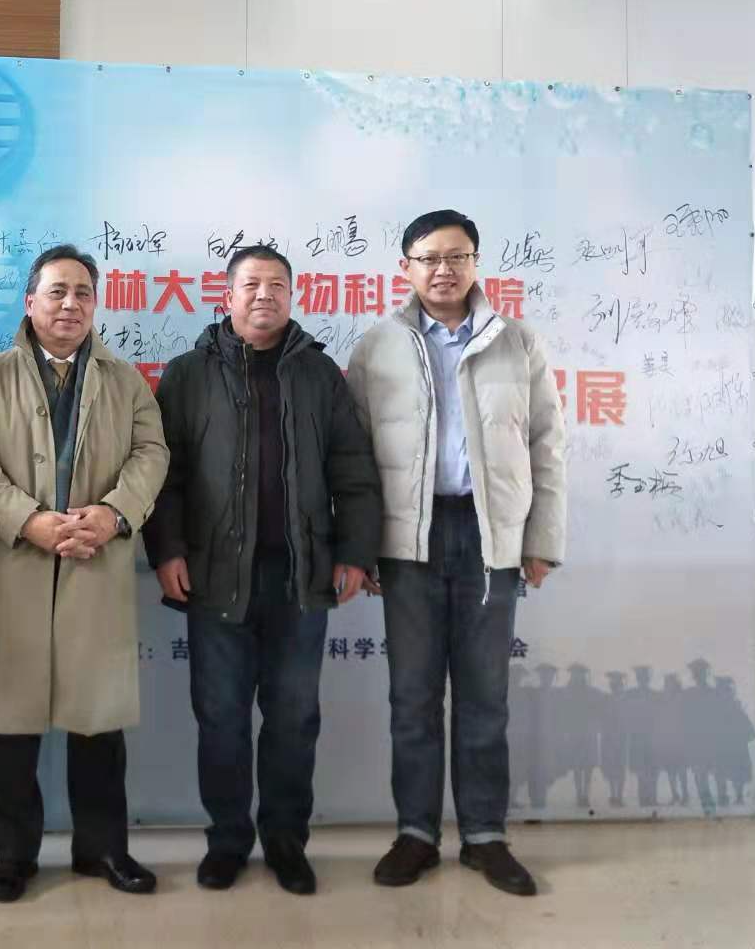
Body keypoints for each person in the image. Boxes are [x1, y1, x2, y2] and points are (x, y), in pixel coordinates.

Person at [142, 244, 381, 894]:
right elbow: (164, 475)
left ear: (292, 296)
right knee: (220, 717)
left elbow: (352, 470)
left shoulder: (319, 375)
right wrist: (167, 551)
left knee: (294, 717)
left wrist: (355, 553)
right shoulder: (188, 374)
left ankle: (285, 841)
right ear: (227, 296)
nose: (264, 295)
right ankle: (227, 841)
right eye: (251, 284)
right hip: (214, 575)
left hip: (299, 577)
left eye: (277, 284)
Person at [348, 209, 567, 897]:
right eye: (429, 258)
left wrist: (540, 541)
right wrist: (363, 546)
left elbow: (547, 447)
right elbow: (352, 459)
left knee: (484, 696)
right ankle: (416, 834)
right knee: (412, 697)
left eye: (457, 256)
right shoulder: (376, 346)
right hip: (407, 539)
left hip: (489, 537)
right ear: (405, 268)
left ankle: (484, 837)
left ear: (476, 263)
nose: (443, 270)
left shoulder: (517, 342)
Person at [0, 244, 169, 904]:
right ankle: (13, 857)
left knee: (97, 721)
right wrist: (28, 520)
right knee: (11, 725)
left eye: (82, 293)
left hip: (96, 562)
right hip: (19, 562)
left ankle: (103, 850)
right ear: (29, 301)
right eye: (56, 291)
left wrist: (113, 514)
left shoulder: (126, 380)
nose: (70, 304)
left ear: (95, 305)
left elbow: (151, 453)